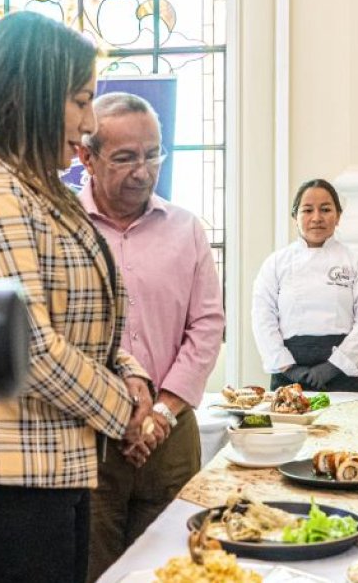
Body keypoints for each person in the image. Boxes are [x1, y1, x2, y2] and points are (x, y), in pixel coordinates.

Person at [0, 11, 153, 583]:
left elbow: (81, 318)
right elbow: (23, 345)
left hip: (52, 463)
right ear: (30, 95)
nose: (90, 123)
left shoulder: (37, 185)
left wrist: (130, 371)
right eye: (80, 100)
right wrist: (123, 411)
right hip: (1, 474)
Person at [78, 93, 224, 582]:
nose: (143, 171)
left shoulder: (186, 229)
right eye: (125, 158)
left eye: (153, 154)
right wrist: (119, 413)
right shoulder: (65, 227)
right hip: (89, 437)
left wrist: (160, 412)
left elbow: (207, 325)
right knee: (95, 570)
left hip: (171, 433)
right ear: (87, 157)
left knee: (175, 569)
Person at [252, 179, 358, 392]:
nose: (317, 218)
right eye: (307, 210)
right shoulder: (275, 264)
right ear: (295, 216)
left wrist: (333, 367)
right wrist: (290, 369)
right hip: (290, 371)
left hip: (346, 372)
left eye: (326, 209)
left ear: (338, 216)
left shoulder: (357, 263)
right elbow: (262, 318)